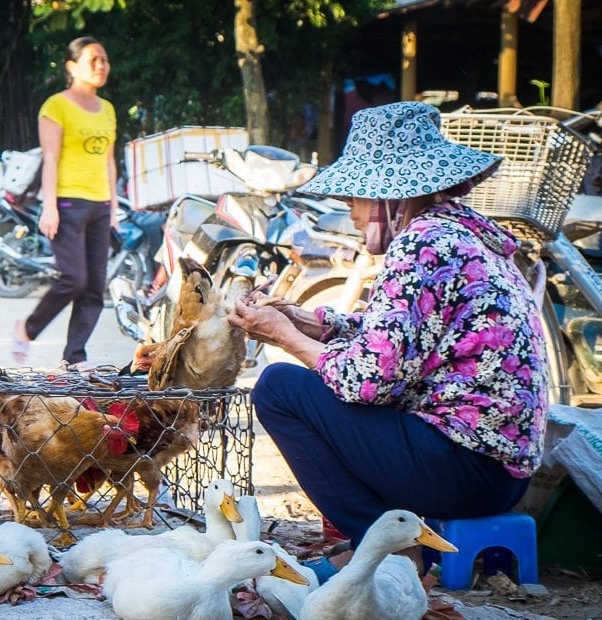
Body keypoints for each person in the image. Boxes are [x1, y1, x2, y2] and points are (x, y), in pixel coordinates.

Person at [228, 101, 548, 571]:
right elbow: (403, 342)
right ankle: (388, 541)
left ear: (392, 196)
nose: (349, 212)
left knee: (278, 389)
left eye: (357, 196)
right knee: (302, 381)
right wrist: (306, 321)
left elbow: (368, 380)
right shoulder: (458, 233)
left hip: (465, 470)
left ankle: (387, 547)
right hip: (498, 473)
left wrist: (285, 337)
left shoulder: (422, 244)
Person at [12, 36, 117, 370]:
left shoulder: (108, 109)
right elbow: (51, 157)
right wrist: (50, 206)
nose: (101, 65)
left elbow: (110, 161)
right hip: (68, 201)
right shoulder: (55, 106)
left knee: (96, 287)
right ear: (72, 67)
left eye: (104, 59)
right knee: (74, 278)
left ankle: (74, 356)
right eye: (93, 60)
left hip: (100, 205)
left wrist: (114, 208)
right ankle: (27, 329)